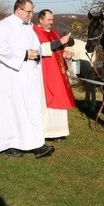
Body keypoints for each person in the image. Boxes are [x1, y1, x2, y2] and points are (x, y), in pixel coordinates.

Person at [0, 0, 54, 159]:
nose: (31, 14)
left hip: (28, 77)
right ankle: (11, 144)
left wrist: (36, 54)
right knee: (12, 111)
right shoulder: (3, 26)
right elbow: (0, 50)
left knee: (30, 110)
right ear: (18, 10)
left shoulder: (28, 27)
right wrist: (24, 54)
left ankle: (33, 143)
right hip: (10, 78)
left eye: (32, 11)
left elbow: (35, 46)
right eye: (29, 11)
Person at [33, 9, 76, 140]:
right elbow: (42, 48)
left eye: (52, 19)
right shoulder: (35, 32)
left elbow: (59, 50)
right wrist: (60, 42)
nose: (52, 22)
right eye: (49, 20)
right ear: (41, 20)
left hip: (58, 71)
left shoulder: (54, 32)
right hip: (45, 72)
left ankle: (59, 131)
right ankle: (49, 132)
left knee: (60, 97)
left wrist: (65, 54)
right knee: (48, 100)